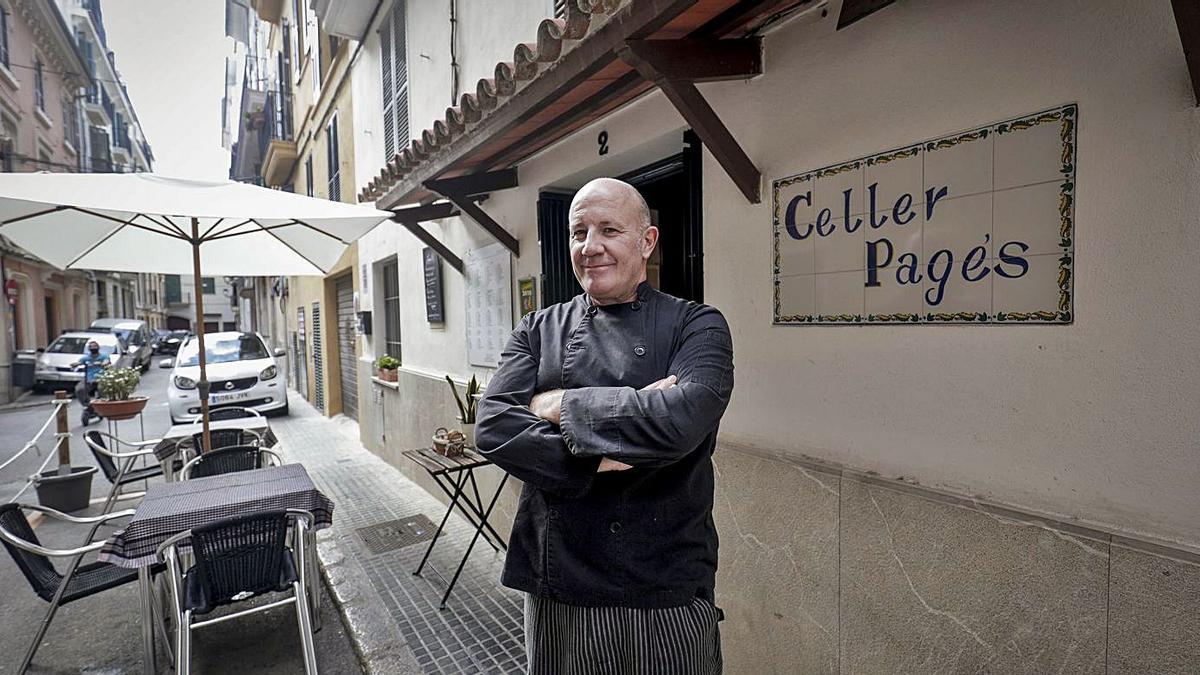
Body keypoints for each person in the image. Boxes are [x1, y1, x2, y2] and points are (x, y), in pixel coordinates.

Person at [476, 177, 735, 674]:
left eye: (610, 230)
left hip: (666, 584)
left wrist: (558, 404)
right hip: (561, 582)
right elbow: (493, 427)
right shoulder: (538, 329)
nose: (590, 247)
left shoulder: (697, 325)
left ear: (647, 241)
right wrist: (606, 449)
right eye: (579, 233)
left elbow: (681, 422)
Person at [75, 340, 108, 426]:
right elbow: (79, 362)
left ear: (98, 348)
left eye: (95, 346)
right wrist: (75, 364)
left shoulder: (103, 356)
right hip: (88, 380)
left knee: (102, 388)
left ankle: (101, 403)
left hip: (100, 378)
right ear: (89, 349)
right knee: (79, 389)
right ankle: (87, 404)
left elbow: (106, 361)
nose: (93, 348)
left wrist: (103, 363)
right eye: (91, 347)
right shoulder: (86, 358)